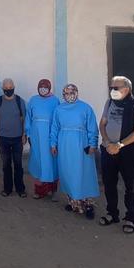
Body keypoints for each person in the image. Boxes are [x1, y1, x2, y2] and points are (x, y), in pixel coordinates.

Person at [98, 76, 134, 234]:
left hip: (128, 151)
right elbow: (102, 124)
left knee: (130, 186)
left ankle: (130, 217)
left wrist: (118, 145)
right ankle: (112, 213)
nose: (112, 90)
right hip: (108, 149)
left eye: (116, 87)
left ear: (127, 89)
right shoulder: (110, 103)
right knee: (109, 183)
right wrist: (107, 143)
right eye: (111, 87)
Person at [50, 83, 99, 219]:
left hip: (81, 144)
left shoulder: (86, 108)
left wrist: (92, 144)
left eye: (72, 93)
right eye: (66, 93)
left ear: (77, 93)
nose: (69, 95)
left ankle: (88, 204)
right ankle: (73, 202)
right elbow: (54, 127)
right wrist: (53, 144)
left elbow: (92, 128)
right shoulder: (59, 109)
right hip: (64, 144)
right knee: (68, 172)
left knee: (84, 173)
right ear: (63, 95)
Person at [25, 78, 60, 200]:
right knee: (38, 161)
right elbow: (28, 117)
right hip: (36, 137)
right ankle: (39, 190)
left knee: (51, 163)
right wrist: (28, 134)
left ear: (49, 88)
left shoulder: (55, 100)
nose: (43, 89)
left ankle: (52, 190)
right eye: (41, 87)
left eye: (45, 87)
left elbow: (58, 119)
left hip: (50, 137)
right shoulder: (33, 100)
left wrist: (56, 138)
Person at [0, 78, 27, 197]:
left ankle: (20, 189)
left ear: (14, 87)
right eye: (6, 88)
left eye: (10, 88)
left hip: (17, 138)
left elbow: (23, 119)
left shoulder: (20, 101)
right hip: (3, 138)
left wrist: (24, 135)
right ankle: (7, 189)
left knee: (18, 165)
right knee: (6, 165)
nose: (8, 90)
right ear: (2, 89)